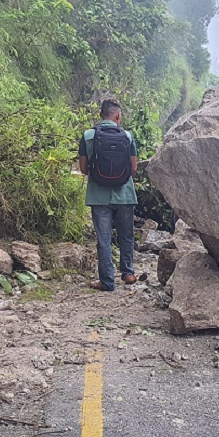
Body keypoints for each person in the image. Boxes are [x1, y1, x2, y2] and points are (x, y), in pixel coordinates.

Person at [79, 99, 139, 292]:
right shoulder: (128, 136)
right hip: (125, 194)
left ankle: (107, 281)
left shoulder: (88, 135)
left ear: (101, 115)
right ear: (117, 116)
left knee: (103, 239)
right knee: (127, 236)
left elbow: (83, 169)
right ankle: (128, 273)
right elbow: (134, 168)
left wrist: (100, 175)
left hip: (98, 195)